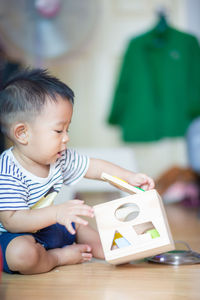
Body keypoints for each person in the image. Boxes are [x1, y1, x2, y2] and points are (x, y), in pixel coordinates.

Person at [0, 68, 154, 275]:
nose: (66, 138)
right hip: (14, 236)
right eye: (58, 130)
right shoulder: (8, 171)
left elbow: (96, 168)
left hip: (49, 229)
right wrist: (56, 213)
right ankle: (58, 257)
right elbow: (13, 220)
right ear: (22, 133)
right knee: (21, 254)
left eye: (67, 129)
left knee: (79, 226)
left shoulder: (59, 157)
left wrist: (129, 177)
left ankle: (116, 249)